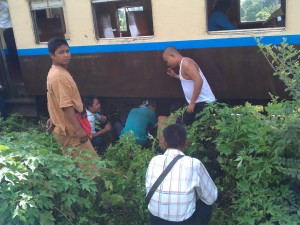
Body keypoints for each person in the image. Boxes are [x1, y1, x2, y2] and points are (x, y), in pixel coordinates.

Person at [45, 37, 98, 177]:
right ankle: (98, 197)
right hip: (71, 131)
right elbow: (66, 105)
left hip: (65, 129)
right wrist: (79, 129)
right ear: (52, 55)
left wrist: (53, 116)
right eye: (61, 52)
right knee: (91, 168)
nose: (66, 55)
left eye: (67, 51)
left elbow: (53, 99)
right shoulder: (59, 76)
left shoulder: (57, 71)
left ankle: (81, 196)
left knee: (74, 169)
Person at [146, 124, 218, 225]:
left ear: (164, 143)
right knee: (206, 201)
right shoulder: (194, 164)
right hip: (183, 222)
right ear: (186, 142)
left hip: (155, 219)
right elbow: (212, 197)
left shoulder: (154, 160)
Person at [163, 47, 216, 126]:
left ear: (172, 56)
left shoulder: (186, 63)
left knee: (192, 129)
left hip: (204, 103)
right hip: (197, 103)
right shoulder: (182, 64)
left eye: (167, 61)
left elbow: (199, 81)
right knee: (181, 125)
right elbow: (187, 78)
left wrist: (192, 103)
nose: (168, 64)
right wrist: (175, 76)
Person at [0, 0, 21, 71]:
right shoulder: (5, 3)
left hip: (9, 30)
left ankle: (17, 69)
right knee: (13, 51)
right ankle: (17, 68)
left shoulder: (5, 4)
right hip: (8, 30)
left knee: (13, 51)